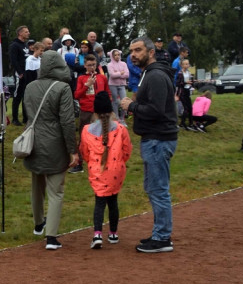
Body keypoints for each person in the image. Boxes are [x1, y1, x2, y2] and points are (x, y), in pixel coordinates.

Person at [119, 37, 178, 254]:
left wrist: (131, 105)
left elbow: (157, 110)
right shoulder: (149, 74)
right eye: (131, 51)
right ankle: (160, 234)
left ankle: (162, 238)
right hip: (154, 139)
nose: (133, 54)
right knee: (153, 188)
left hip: (158, 139)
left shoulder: (155, 75)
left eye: (138, 50)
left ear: (151, 52)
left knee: (159, 189)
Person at [22, 51, 78, 249]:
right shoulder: (63, 87)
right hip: (54, 143)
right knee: (56, 191)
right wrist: (73, 149)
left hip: (34, 141)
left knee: (36, 185)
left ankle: (39, 224)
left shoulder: (30, 86)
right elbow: (67, 121)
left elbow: (26, 113)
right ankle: (51, 237)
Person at [79, 92, 132, 249]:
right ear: (111, 111)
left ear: (95, 112)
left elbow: (85, 152)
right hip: (116, 171)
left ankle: (97, 234)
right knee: (113, 201)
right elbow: (127, 150)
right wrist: (120, 162)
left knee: (99, 202)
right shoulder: (121, 129)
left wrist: (92, 164)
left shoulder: (86, 130)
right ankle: (113, 233)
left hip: (97, 171)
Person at [72, 54, 110, 173]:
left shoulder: (102, 78)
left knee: (103, 136)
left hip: (101, 112)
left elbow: (108, 92)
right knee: (84, 138)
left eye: (93, 65)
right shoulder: (82, 78)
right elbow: (77, 95)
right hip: (87, 111)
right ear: (85, 65)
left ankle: (104, 160)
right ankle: (79, 163)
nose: (92, 67)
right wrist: (86, 86)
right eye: (89, 65)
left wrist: (108, 105)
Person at [8, 25, 30, 125]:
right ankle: (15, 118)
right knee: (17, 96)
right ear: (20, 33)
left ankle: (25, 118)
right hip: (19, 74)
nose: (28, 33)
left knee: (26, 96)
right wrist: (19, 72)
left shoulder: (25, 45)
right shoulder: (14, 45)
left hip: (26, 73)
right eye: (26, 32)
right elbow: (14, 60)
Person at [106, 49, 129, 119]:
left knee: (124, 100)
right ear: (112, 56)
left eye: (118, 54)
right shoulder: (109, 65)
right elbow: (112, 75)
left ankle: (122, 118)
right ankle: (116, 117)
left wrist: (117, 74)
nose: (117, 56)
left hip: (122, 85)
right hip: (113, 85)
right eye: (115, 55)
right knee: (115, 101)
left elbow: (127, 75)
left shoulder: (124, 64)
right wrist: (120, 73)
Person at [175, 58, 195, 131]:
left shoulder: (188, 73)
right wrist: (186, 82)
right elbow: (178, 83)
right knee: (186, 108)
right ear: (182, 65)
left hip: (187, 91)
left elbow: (190, 81)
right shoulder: (180, 73)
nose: (187, 65)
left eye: (188, 63)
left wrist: (192, 84)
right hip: (182, 92)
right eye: (186, 64)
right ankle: (182, 123)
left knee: (190, 108)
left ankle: (191, 123)